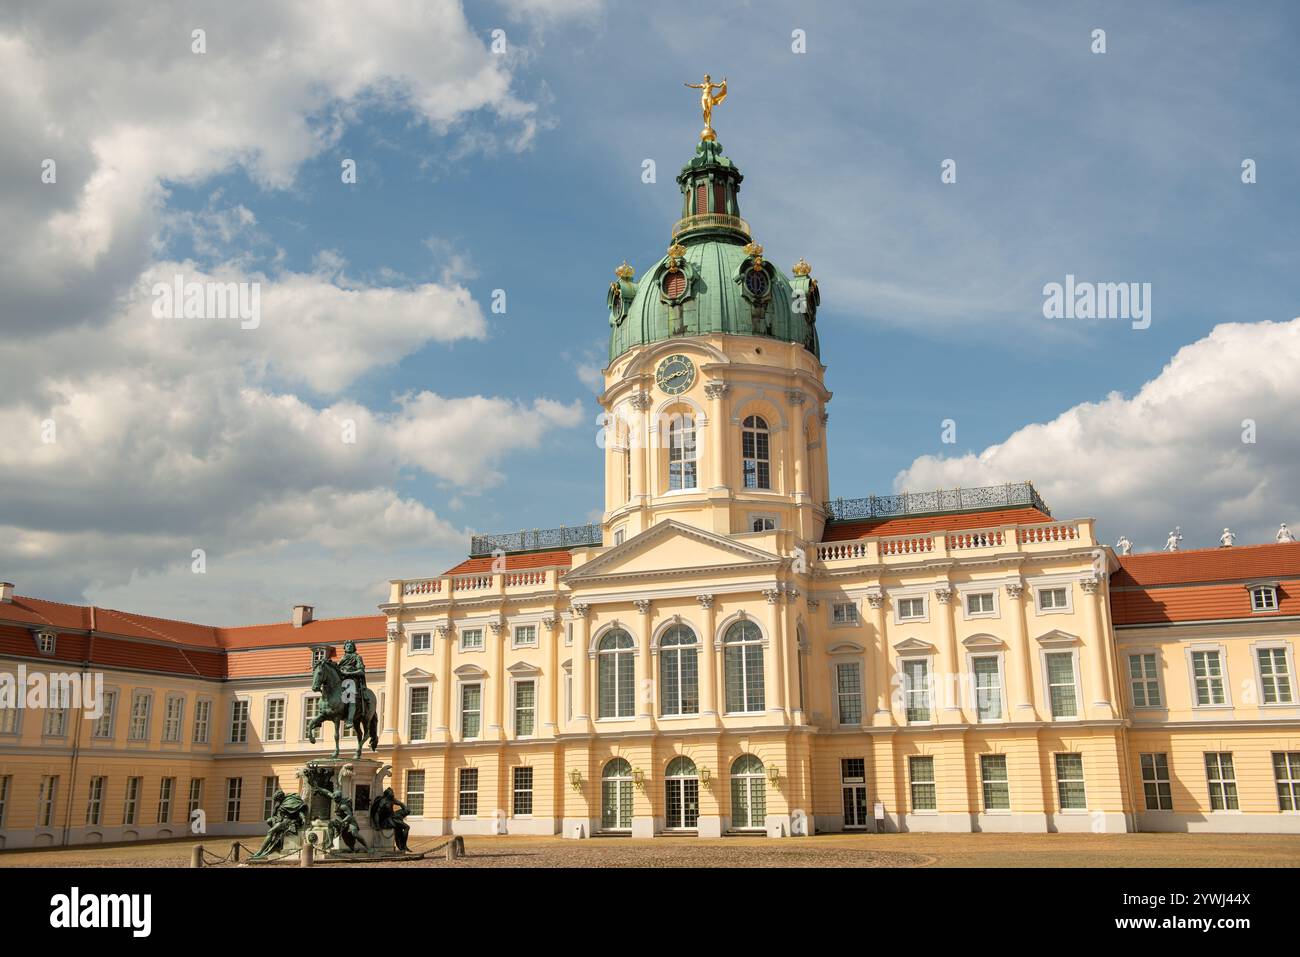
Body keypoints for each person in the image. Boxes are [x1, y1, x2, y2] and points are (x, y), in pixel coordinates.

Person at [369, 786, 411, 852]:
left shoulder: (391, 800)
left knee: (402, 825)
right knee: (406, 827)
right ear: (388, 794)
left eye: (393, 793)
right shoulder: (383, 801)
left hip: (393, 817)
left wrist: (403, 811)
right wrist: (377, 825)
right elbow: (377, 813)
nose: (393, 794)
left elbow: (401, 804)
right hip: (387, 820)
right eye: (391, 793)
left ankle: (403, 846)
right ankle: (403, 846)